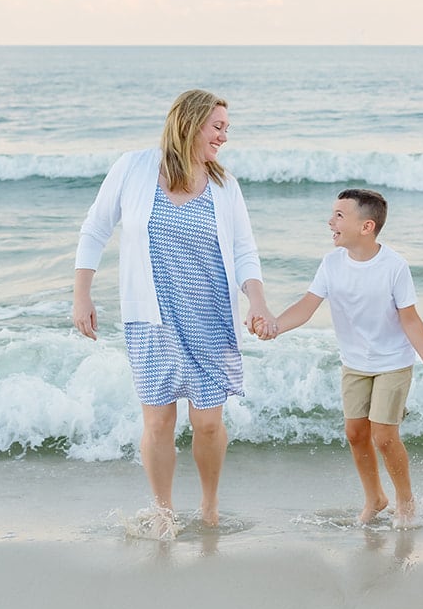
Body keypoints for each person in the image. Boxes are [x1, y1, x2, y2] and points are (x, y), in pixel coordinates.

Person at [72, 89, 273, 535]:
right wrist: (81, 294)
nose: (223, 137)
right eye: (217, 127)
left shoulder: (224, 186)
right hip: (151, 318)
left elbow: (245, 251)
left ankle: (208, 504)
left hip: (211, 316)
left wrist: (256, 299)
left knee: (207, 423)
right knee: (159, 421)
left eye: (226, 129)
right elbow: (95, 228)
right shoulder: (134, 168)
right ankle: (163, 511)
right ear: (191, 122)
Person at [264, 188, 423, 528]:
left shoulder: (394, 266)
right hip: (355, 363)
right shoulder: (331, 263)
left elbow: (410, 318)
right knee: (355, 433)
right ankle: (375, 497)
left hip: (392, 362)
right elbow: (306, 306)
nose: (330, 221)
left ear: (366, 226)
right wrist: (275, 325)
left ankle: (405, 502)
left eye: (339, 216)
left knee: (384, 437)